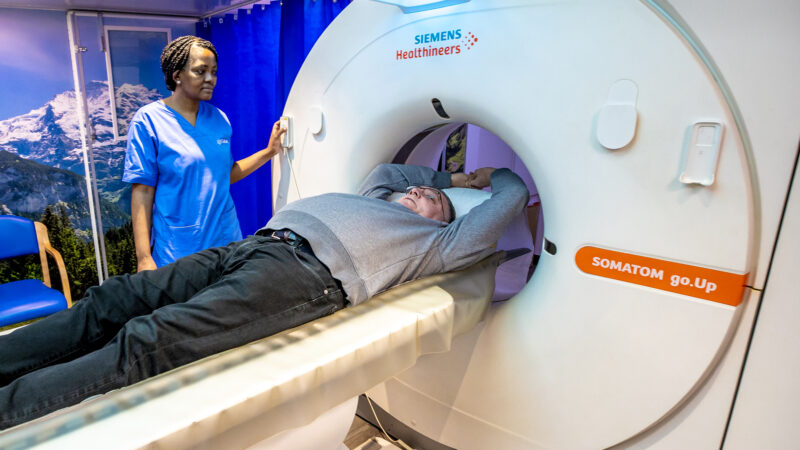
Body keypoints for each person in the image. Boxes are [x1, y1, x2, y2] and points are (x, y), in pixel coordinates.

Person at [0, 163, 529, 429]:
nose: (417, 193)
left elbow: (507, 201)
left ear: (447, 220)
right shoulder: (379, 194)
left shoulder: (438, 243)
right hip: (253, 244)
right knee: (108, 300)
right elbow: (396, 172)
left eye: (433, 199)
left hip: (303, 277)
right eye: (418, 189)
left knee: (146, 341)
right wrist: (447, 176)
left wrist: (494, 177)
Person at [124, 35, 285, 272]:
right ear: (177, 75)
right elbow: (143, 191)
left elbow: (224, 174)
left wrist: (269, 151)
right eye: (201, 71)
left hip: (226, 240)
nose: (210, 79)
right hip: (178, 248)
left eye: (214, 71)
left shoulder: (219, 119)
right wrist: (143, 257)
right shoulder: (148, 120)